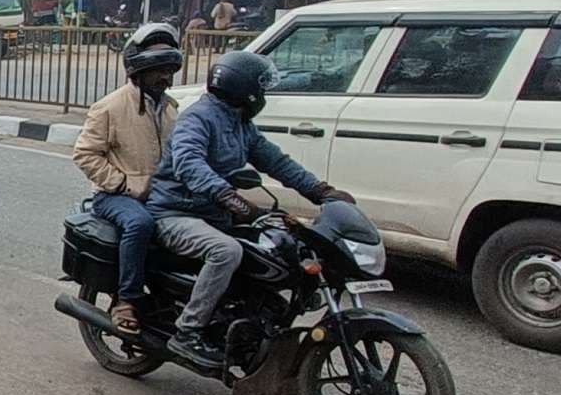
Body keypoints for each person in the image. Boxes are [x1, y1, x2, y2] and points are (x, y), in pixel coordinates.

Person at [145, 51, 352, 368]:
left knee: (286, 243)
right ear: (245, 88)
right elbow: (188, 164)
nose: (264, 94)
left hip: (215, 214)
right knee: (225, 251)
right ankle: (187, 333)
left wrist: (321, 191)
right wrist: (228, 197)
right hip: (176, 213)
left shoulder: (240, 123)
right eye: (262, 87)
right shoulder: (198, 118)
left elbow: (276, 161)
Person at [72, 23, 184, 333]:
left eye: (169, 70)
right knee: (140, 223)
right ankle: (126, 299)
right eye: (158, 70)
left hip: (161, 195)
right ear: (140, 70)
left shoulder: (171, 110)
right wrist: (123, 184)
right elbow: (85, 155)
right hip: (114, 197)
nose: (165, 77)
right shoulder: (109, 108)